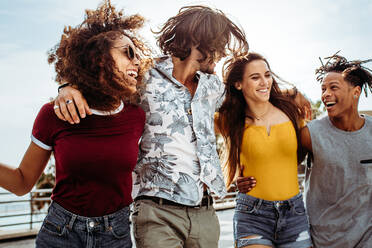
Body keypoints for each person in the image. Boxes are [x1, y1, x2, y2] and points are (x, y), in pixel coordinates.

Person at [54, 5, 248, 248]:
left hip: (205, 212)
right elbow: (98, 81)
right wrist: (67, 87)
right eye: (219, 44)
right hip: (157, 210)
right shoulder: (145, 75)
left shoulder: (213, 86)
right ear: (199, 39)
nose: (221, 53)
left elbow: (248, 105)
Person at [0, 1, 150, 247]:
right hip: (60, 233)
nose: (136, 61)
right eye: (127, 52)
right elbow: (21, 182)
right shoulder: (53, 114)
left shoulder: (137, 115)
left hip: (116, 235)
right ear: (99, 58)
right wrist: (66, 87)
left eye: (137, 54)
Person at [216, 52, 313, 247]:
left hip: (294, 213)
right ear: (238, 84)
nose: (264, 82)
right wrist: (234, 179)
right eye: (255, 77)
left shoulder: (290, 109)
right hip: (252, 214)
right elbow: (195, 139)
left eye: (267, 75)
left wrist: (294, 92)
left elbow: (302, 152)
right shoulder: (229, 120)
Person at [301, 53, 372, 247]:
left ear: (356, 92)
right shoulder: (310, 134)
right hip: (322, 240)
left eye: (333, 88)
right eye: (323, 89)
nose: (325, 94)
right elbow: (280, 166)